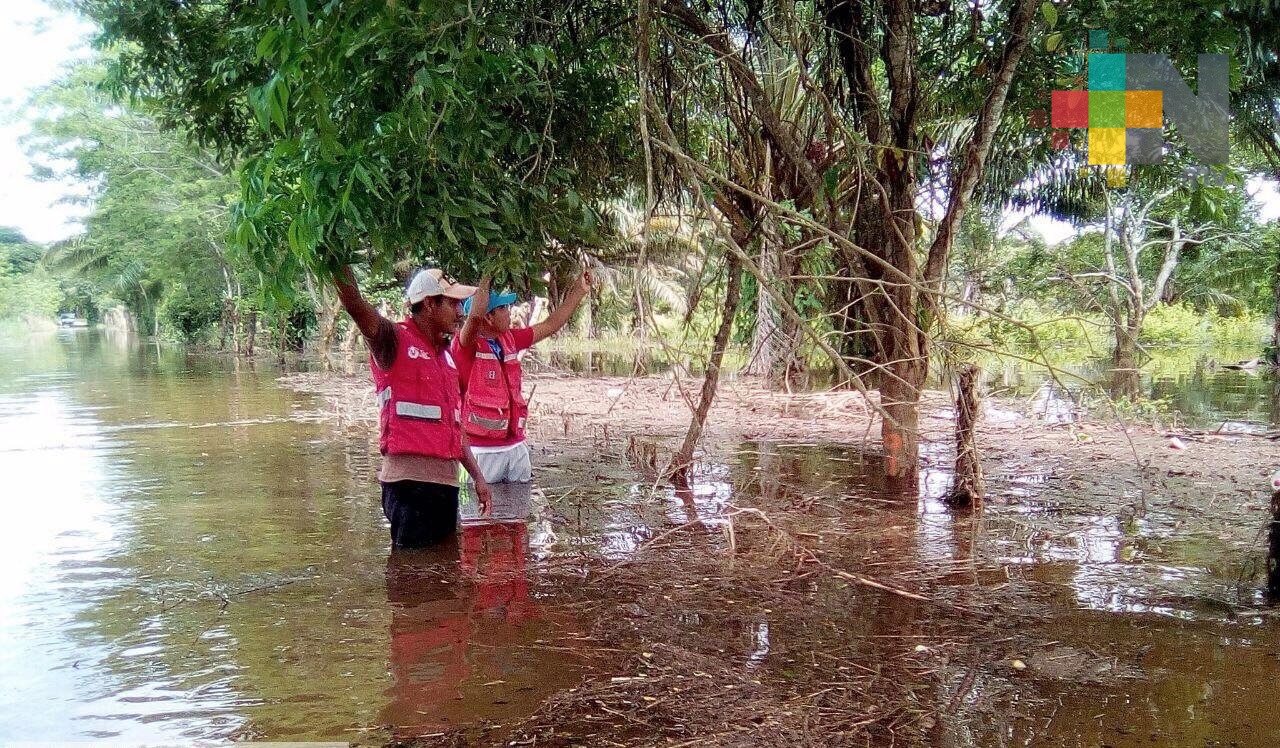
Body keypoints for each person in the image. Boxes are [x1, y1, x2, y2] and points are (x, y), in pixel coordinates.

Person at [333, 266, 493, 548]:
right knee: (411, 579)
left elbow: (454, 428)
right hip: (409, 487)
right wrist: (334, 259)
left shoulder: (447, 358)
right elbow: (355, 305)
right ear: (429, 304)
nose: (460, 312)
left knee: (445, 576)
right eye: (453, 303)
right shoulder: (392, 340)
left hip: (446, 485)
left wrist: (478, 477)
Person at [452, 272, 591, 495]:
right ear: (488, 317)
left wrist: (579, 291)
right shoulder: (466, 346)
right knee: (478, 525)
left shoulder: (509, 339)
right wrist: (489, 272)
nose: (510, 313)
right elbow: (474, 318)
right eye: (503, 308)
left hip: (515, 447)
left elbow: (550, 325)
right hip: (480, 452)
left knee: (518, 522)